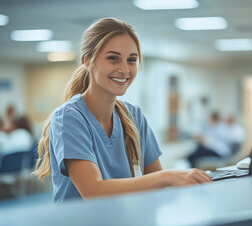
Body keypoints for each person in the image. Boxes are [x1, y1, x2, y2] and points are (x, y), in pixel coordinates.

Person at [32, 18, 212, 203]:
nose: (124, 69)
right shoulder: (69, 118)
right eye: (113, 58)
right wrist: (168, 177)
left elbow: (158, 187)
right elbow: (93, 191)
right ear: (88, 61)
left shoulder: (134, 117)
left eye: (132, 60)